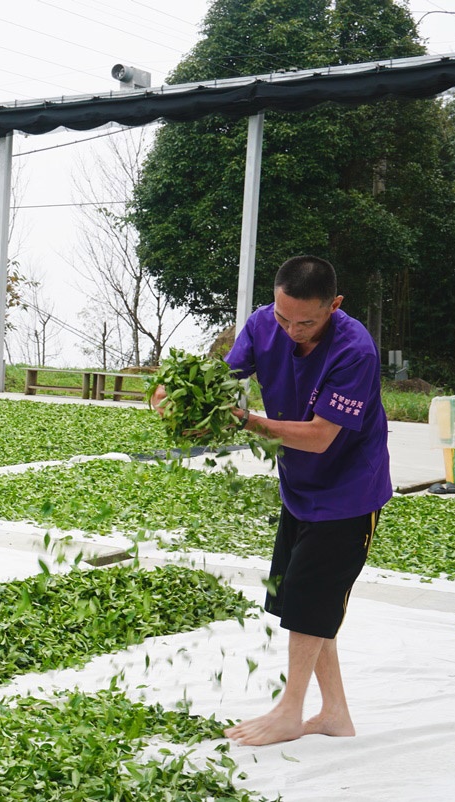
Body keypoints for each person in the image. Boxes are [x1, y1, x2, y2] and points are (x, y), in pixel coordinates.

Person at [151, 255, 391, 746]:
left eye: (306, 321)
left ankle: (290, 711)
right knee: (305, 603)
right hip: (299, 486)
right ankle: (335, 714)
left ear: (334, 306)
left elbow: (321, 437)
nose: (292, 330)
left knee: (309, 601)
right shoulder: (264, 325)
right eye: (284, 318)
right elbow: (219, 380)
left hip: (349, 491)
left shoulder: (355, 350)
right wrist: (174, 393)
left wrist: (243, 421)